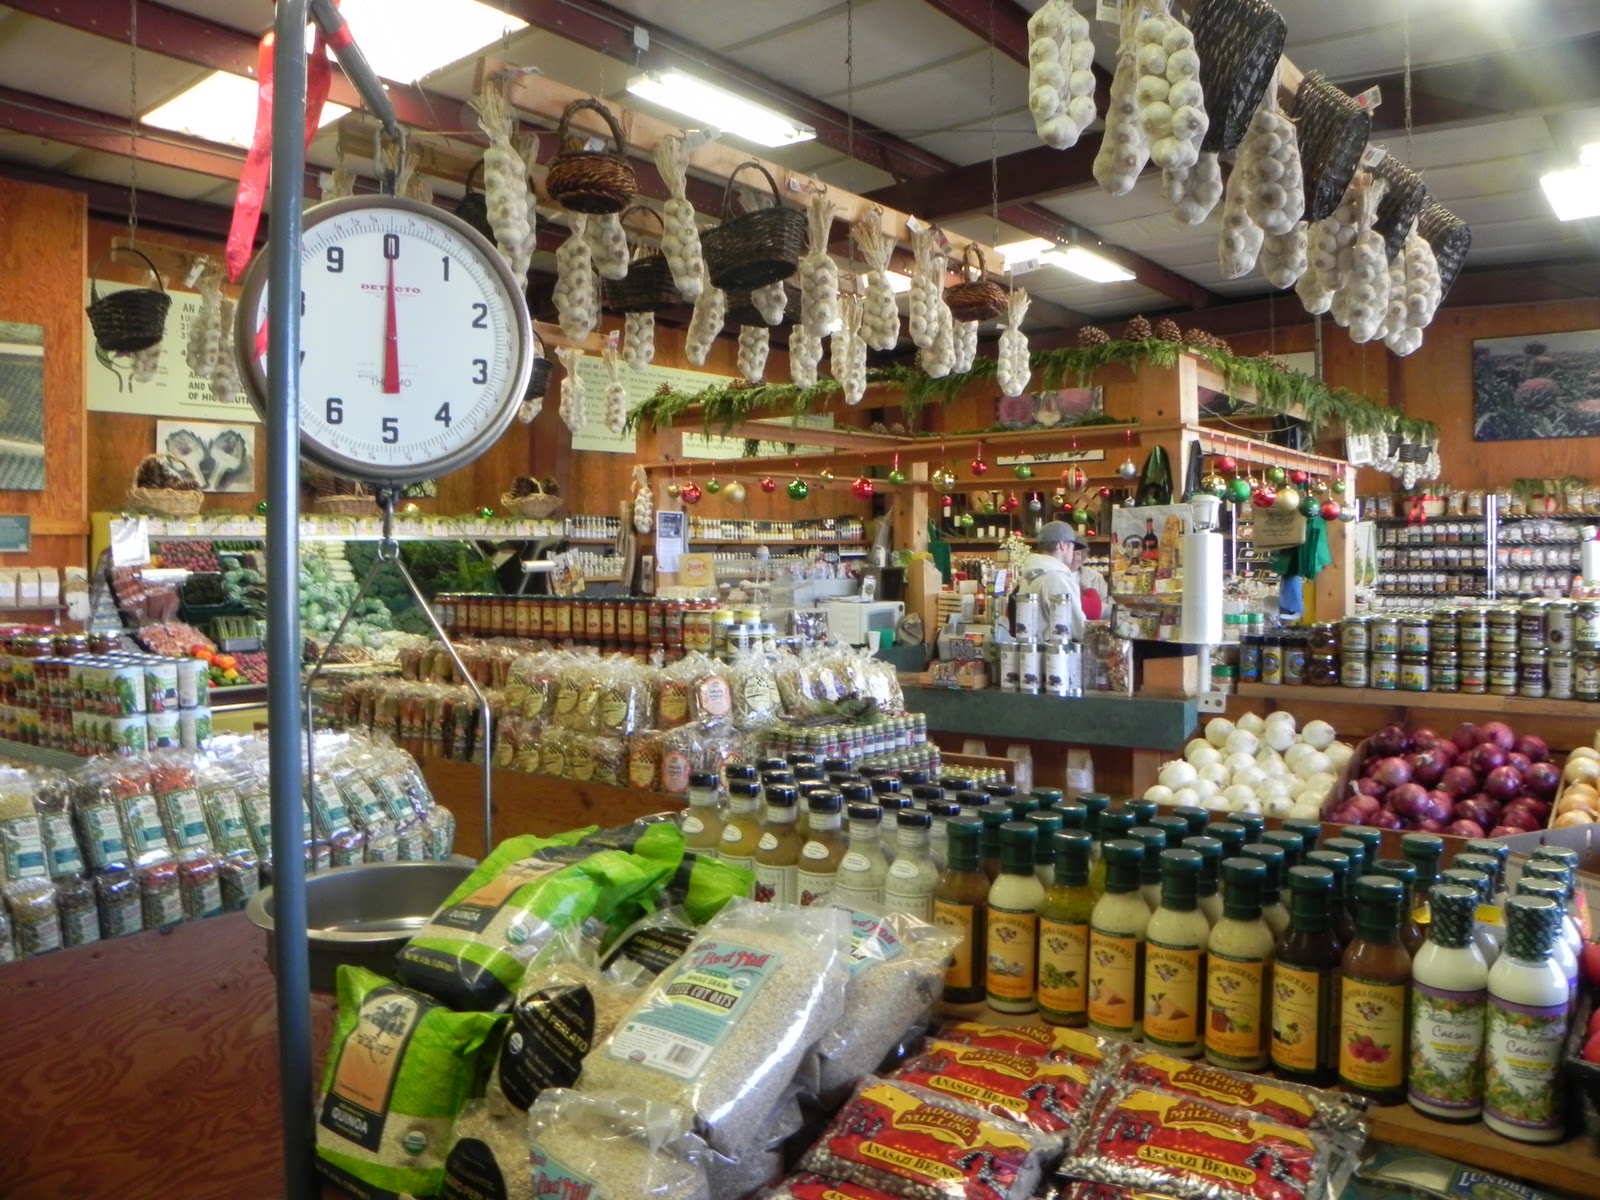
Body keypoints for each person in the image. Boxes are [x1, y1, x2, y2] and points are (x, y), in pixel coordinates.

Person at [1018, 521, 1107, 642]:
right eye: (1072, 547)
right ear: (1062, 545)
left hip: (1033, 653)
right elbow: (1077, 628)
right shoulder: (1057, 578)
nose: (1073, 553)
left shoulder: (1029, 575)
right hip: (1056, 656)